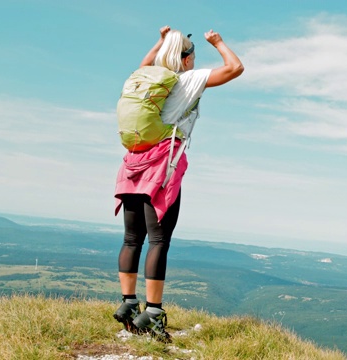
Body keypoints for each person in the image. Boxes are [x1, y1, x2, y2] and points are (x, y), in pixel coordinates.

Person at [112, 25, 244, 341]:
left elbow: (145, 64)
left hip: (133, 162)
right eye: (193, 56)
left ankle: (129, 304)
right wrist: (219, 42)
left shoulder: (148, 79)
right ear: (185, 59)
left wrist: (159, 42)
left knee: (132, 239)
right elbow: (235, 68)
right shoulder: (189, 80)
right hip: (163, 165)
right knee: (159, 240)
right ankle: (154, 313)